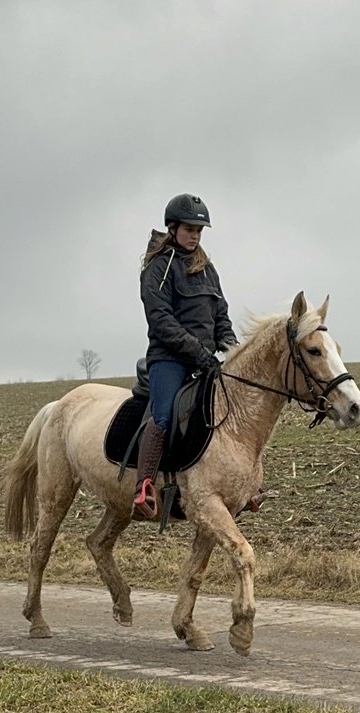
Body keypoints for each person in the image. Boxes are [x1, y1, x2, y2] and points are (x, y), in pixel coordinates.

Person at [133, 193, 237, 518]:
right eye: (190, 228)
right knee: (163, 416)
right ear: (174, 227)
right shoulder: (159, 268)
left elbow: (220, 312)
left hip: (206, 359)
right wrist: (199, 352)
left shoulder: (207, 269)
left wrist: (231, 347)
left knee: (233, 413)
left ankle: (239, 485)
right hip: (170, 359)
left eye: (199, 230)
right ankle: (145, 489)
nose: (195, 235)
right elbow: (161, 320)